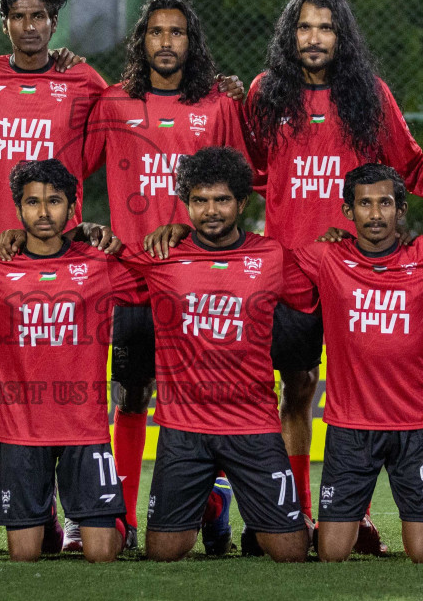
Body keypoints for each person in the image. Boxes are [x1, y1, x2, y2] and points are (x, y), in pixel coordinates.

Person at [241, 0, 423, 549]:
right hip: (290, 274)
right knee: (295, 388)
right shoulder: (266, 93)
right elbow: (244, 168)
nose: (314, 38)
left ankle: (356, 513)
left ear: (341, 36)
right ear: (289, 35)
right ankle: (289, 511)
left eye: (325, 27)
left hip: (356, 276)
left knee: (356, 393)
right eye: (304, 27)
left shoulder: (370, 94)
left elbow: (411, 168)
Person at [0, 0, 109, 546]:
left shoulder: (82, 80)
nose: (30, 26)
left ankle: (97, 514)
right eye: (19, 16)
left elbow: (126, 124)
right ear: (4, 22)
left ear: (53, 23)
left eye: (39, 16)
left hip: (69, 266)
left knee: (67, 386)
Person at [81, 0, 246, 549]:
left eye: (177, 32)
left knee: (200, 398)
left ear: (190, 43)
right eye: (156, 32)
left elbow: (241, 184)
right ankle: (122, 517)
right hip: (133, 274)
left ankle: (212, 500)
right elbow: (71, 173)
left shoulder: (218, 106)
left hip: (202, 279)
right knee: (129, 394)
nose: (167, 41)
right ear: (142, 41)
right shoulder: (112, 103)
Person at [123, 147, 317, 563]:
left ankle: (222, 496)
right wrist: (87, 230)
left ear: (242, 202)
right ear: (186, 203)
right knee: (163, 553)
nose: (212, 211)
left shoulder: (272, 256)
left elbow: (319, 291)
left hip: (252, 424)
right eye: (200, 200)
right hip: (183, 425)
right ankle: (213, 507)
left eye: (222, 199)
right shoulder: (161, 255)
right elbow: (95, 263)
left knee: (291, 552)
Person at [0, 160, 144, 562]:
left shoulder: (99, 264)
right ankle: (45, 515)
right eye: (32, 202)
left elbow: (156, 277)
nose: (44, 212)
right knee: (24, 556)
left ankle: (100, 514)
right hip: (21, 434)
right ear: (17, 208)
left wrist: (119, 244)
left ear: (72, 207)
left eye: (54, 201)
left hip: (86, 431)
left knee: (102, 554)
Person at [291, 164, 423, 563]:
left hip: (414, 428)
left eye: (385, 203)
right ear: (348, 212)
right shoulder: (325, 258)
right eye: (365, 204)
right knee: (331, 555)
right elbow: (252, 260)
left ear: (401, 210)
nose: (376, 214)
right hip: (349, 429)